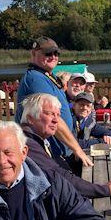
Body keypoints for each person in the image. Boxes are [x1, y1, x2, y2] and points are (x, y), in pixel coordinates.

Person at [20, 93, 111, 198]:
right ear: (30, 119)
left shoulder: (36, 139)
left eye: (57, 115)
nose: (56, 120)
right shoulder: (27, 143)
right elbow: (59, 176)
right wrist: (105, 189)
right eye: (49, 114)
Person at [15, 37, 92, 167]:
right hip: (46, 154)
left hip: (60, 150)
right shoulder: (35, 79)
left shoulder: (48, 76)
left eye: (56, 53)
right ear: (33, 54)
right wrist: (77, 149)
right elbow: (54, 118)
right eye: (48, 53)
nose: (53, 57)